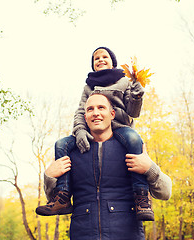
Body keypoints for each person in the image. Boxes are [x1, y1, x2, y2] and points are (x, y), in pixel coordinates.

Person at [36, 47, 154, 221]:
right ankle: (62, 195)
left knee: (135, 139)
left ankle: (141, 197)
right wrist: (80, 130)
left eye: (104, 56)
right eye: (96, 58)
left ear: (112, 61)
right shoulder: (89, 86)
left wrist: (137, 97)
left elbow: (133, 111)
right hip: (92, 129)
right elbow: (80, 111)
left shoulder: (124, 81)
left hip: (120, 127)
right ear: (93, 64)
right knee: (61, 144)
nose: (100, 59)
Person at [37, 93, 172, 240]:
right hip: (82, 234)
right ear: (85, 117)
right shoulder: (71, 152)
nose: (96, 113)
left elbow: (165, 193)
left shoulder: (131, 147)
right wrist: (49, 176)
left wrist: (149, 168)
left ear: (112, 114)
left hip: (127, 234)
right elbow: (55, 201)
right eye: (90, 109)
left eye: (101, 107)